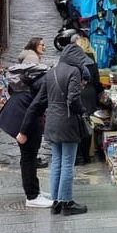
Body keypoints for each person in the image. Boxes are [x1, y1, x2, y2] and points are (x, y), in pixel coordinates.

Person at [17, 43, 93, 216]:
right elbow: (73, 99)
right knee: (67, 162)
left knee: (57, 162)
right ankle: (67, 202)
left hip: (51, 122)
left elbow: (38, 102)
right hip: (68, 123)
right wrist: (83, 111)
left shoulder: (51, 72)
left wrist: (24, 128)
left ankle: (56, 202)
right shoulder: (74, 72)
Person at [0, 64, 51, 207]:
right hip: (21, 117)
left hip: (19, 112)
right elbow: (33, 109)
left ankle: (35, 190)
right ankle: (32, 196)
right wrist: (23, 132)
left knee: (29, 157)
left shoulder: (45, 79)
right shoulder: (48, 84)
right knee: (28, 158)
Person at [71, 34, 104, 165]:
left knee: (77, 124)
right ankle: (86, 155)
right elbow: (96, 82)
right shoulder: (91, 62)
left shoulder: (74, 61)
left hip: (78, 93)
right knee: (88, 124)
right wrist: (101, 93)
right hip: (89, 95)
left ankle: (78, 155)